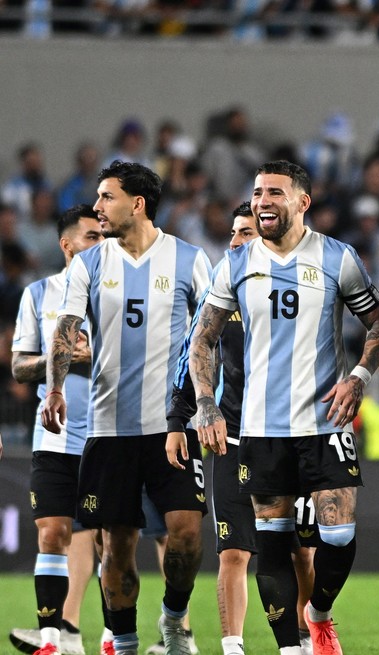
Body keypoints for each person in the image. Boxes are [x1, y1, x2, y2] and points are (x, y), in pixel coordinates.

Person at [185, 160, 379, 655]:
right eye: (258, 193)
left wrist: (359, 379)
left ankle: (317, 611)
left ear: (303, 201)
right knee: (272, 545)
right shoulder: (235, 263)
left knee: (337, 538)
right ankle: (289, 649)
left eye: (275, 192)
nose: (263, 202)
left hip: (324, 424)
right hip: (260, 429)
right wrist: (206, 404)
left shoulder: (336, 258)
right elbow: (203, 338)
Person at [41, 161, 212, 655]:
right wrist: (54, 388)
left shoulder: (189, 259)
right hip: (109, 427)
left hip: (172, 427)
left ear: (137, 203)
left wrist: (206, 406)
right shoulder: (89, 264)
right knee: (116, 545)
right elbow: (66, 328)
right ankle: (128, 641)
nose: (97, 207)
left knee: (184, 535)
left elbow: (208, 340)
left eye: (106, 197)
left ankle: (174, 618)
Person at [166, 201, 322, 655]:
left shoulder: (302, 288)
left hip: (293, 438)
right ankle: (233, 646)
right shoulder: (224, 287)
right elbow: (193, 356)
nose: (234, 241)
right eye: (233, 232)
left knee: (300, 554)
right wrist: (184, 416)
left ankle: (306, 635)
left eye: (245, 233)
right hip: (234, 437)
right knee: (233, 551)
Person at [9, 204, 103, 655]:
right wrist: (63, 359)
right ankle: (52, 640)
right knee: (52, 532)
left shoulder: (120, 297)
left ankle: (111, 638)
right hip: (55, 436)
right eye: (91, 236)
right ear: (67, 245)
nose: (100, 243)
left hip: (110, 437)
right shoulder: (38, 294)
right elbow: (20, 366)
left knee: (111, 541)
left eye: (103, 236)